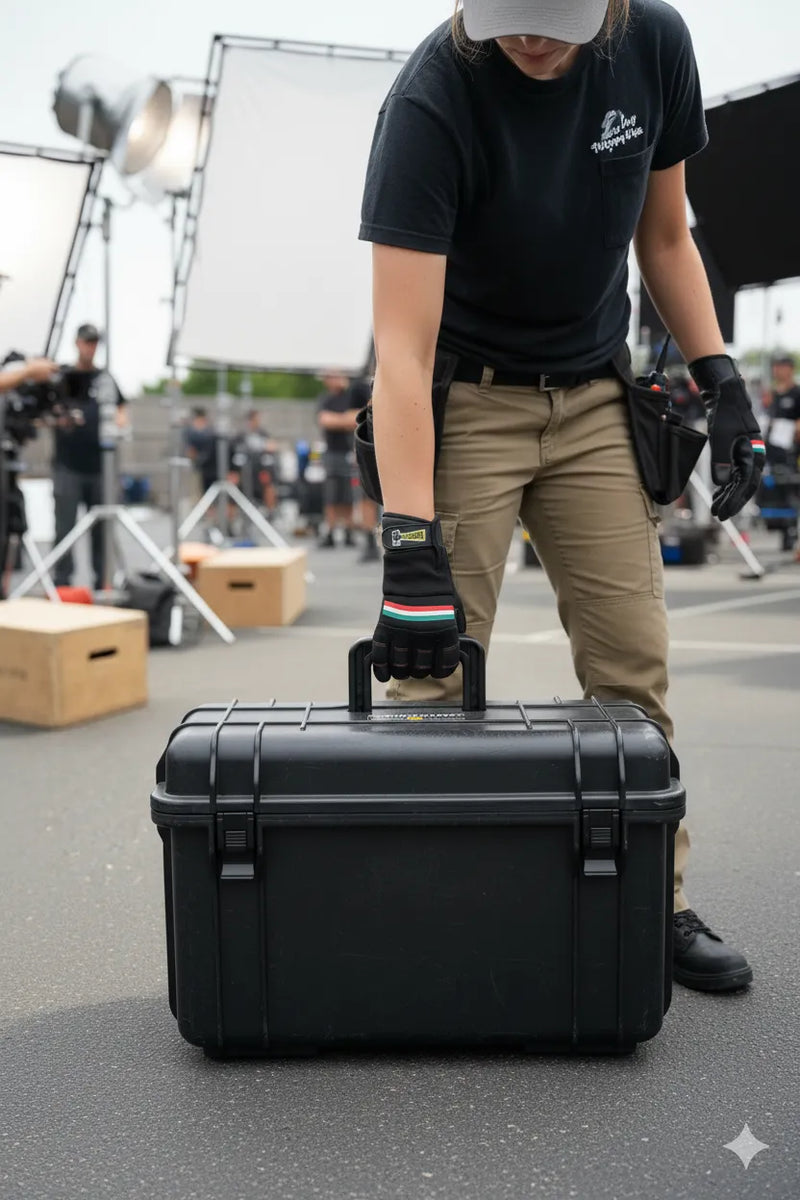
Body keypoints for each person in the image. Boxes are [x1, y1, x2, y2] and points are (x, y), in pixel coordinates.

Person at [359, 0, 765, 992]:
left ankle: (649, 906)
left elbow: (663, 235)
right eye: (508, 19)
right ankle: (424, 917)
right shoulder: (430, 98)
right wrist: (408, 542)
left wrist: (721, 380)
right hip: (468, 399)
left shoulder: (653, 44)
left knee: (632, 674)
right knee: (429, 676)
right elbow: (401, 354)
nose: (529, 39)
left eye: (552, 20)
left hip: (591, 397)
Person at [52, 324, 126, 591]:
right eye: (86, 342)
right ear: (77, 343)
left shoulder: (106, 378)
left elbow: (121, 407)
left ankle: (102, 581)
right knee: (64, 529)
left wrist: (117, 425)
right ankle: (62, 585)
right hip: (68, 466)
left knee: (102, 530)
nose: (90, 347)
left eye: (94, 342)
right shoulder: (63, 377)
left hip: (100, 468)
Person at [316, 372, 369, 548]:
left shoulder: (352, 395)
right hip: (333, 453)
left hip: (351, 451)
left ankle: (348, 529)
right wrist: (345, 419)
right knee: (332, 494)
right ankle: (330, 530)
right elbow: (325, 420)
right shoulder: (326, 399)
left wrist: (341, 419)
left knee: (348, 492)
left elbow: (358, 418)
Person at [182, 406, 218, 500]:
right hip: (196, 463)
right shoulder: (190, 431)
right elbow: (190, 449)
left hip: (209, 466)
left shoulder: (209, 431)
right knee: (195, 490)